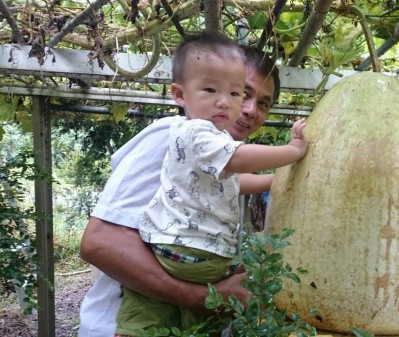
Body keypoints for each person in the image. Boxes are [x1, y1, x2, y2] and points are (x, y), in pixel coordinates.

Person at [78, 39, 285, 337]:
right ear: (183, 93)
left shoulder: (221, 155)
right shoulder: (173, 136)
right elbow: (99, 243)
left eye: (262, 102)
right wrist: (206, 299)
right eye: (246, 93)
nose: (251, 109)